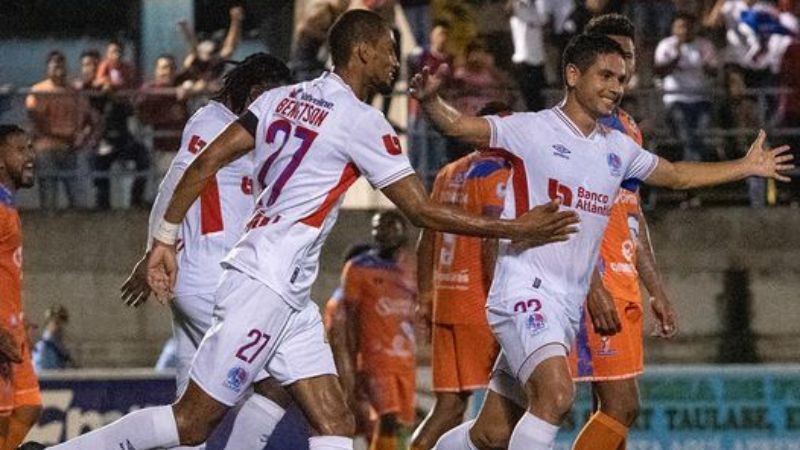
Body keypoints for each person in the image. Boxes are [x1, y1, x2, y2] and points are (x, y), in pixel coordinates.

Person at [24, 9, 580, 450]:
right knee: (191, 424)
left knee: (334, 421)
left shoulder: (279, 99)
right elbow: (421, 211)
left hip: (284, 289)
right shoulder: (362, 122)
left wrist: (165, 239)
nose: (395, 59)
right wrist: (515, 225)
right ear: (361, 51)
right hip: (262, 282)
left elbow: (202, 164)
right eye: (389, 48)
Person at [409, 31, 793, 450]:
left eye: (622, 78)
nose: (615, 87)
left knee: (492, 432)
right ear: (573, 75)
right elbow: (459, 126)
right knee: (556, 397)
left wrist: (745, 166)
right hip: (523, 292)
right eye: (605, 75)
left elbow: (679, 175)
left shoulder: (618, 149)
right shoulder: (532, 129)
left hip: (565, 307)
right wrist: (430, 101)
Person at [119, 53, 295, 450]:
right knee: (278, 381)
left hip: (210, 275)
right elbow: (177, 182)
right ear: (251, 91)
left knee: (188, 416)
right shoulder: (213, 122)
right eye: (269, 96)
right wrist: (153, 252)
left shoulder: (250, 131)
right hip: (209, 276)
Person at [569, 14, 677, 450]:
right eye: (611, 59)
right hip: (597, 279)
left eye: (628, 58)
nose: (622, 68)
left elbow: (633, 213)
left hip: (624, 277)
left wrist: (656, 287)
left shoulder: (626, 127)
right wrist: (592, 285)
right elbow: (566, 205)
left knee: (614, 415)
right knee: (619, 406)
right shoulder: (581, 126)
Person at [410, 102, 512, 450]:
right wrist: (503, 307)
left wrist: (425, 295)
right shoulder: (500, 171)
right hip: (478, 303)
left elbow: (427, 235)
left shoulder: (448, 172)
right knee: (506, 410)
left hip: (446, 301)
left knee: (450, 407)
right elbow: (491, 241)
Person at [340, 211, 417, 450]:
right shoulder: (358, 268)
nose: (382, 232)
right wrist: (352, 361)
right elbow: (348, 319)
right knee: (388, 418)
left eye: (389, 226)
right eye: (377, 227)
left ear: (403, 230)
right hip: (375, 359)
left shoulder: (413, 269)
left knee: (403, 426)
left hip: (405, 361)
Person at [0, 125, 42, 449]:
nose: (31, 157)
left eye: (31, 148)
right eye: (21, 150)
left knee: (27, 407)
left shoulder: (8, 208)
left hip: (10, 326)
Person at [25, 51, 94, 209]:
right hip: (46, 149)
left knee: (76, 194)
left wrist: (83, 136)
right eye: (54, 63)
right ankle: (49, 229)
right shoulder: (38, 90)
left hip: (70, 148)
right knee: (49, 193)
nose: (58, 67)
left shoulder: (74, 91)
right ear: (47, 67)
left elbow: (87, 116)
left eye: (61, 64)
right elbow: (37, 120)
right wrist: (65, 134)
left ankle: (79, 229)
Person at [655, 12, 719, 164]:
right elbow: (659, 72)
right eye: (680, 27)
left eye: (688, 27)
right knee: (684, 129)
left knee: (700, 132)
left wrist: (705, 62)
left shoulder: (704, 45)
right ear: (673, 28)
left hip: (701, 99)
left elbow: (714, 72)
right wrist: (676, 55)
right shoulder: (666, 45)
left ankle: (690, 167)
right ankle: (694, 166)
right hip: (676, 99)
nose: (684, 30)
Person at [407, 20, 454, 189]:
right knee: (418, 149)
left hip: (439, 111)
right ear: (432, 36)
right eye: (439, 34)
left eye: (445, 35)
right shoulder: (421, 56)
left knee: (437, 150)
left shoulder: (449, 60)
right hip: (419, 111)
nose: (442, 38)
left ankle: (434, 186)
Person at [135, 54, 190, 182]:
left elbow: (202, 78)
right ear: (156, 70)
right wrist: (166, 115)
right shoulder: (150, 89)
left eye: (171, 68)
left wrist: (189, 87)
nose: (167, 72)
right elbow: (142, 116)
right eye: (164, 68)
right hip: (162, 149)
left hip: (185, 149)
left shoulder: (179, 87)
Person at [32, 305, 74, 372]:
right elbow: (47, 374)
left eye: (62, 323)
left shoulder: (58, 346)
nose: (60, 327)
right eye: (56, 323)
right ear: (48, 324)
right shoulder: (44, 347)